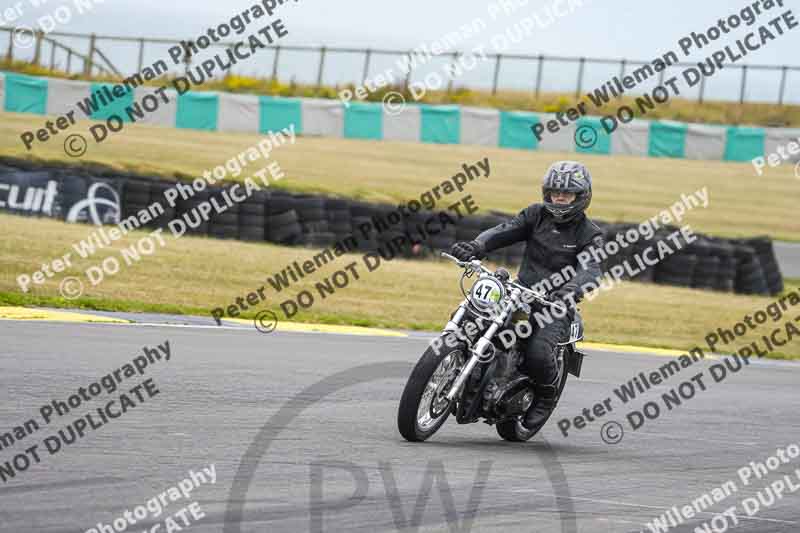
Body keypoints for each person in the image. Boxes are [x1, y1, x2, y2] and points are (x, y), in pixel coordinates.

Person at [449, 160, 604, 431]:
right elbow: (504, 231)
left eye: (566, 193)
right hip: (520, 292)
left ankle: (545, 396)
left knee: (538, 353)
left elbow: (591, 269)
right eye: (555, 191)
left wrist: (569, 291)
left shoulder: (589, 233)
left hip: (556, 304)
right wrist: (477, 246)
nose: (559, 197)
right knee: (473, 318)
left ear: (581, 196)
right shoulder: (535, 215)